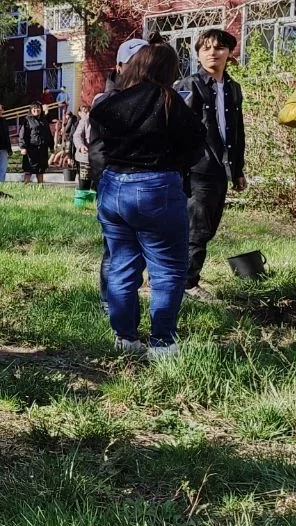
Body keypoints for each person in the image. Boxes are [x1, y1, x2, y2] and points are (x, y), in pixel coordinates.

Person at [90, 41, 204, 361]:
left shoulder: (112, 101)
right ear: (167, 70)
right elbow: (196, 142)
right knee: (167, 269)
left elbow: (98, 124)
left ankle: (125, 337)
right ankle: (162, 342)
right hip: (156, 186)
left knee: (122, 266)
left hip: (113, 186)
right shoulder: (168, 100)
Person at [174, 29, 247, 301]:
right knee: (197, 229)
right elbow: (176, 130)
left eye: (218, 48)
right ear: (197, 55)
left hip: (221, 170)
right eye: (205, 48)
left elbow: (237, 131)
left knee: (209, 228)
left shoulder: (233, 88)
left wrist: (237, 170)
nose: (212, 53)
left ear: (229, 53)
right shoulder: (188, 85)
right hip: (197, 170)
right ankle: (186, 284)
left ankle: (181, 280)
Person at [90, 37, 150, 314]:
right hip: (115, 186)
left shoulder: (158, 97)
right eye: (132, 63)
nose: (139, 69)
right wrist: (105, 184)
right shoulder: (106, 102)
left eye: (144, 63)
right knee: (115, 250)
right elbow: (98, 150)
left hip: (150, 188)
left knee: (145, 250)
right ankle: (109, 301)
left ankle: (130, 299)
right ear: (119, 66)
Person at [19, 102, 52, 185]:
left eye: (38, 108)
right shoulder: (27, 120)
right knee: (28, 169)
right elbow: (22, 134)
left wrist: (51, 146)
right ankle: (26, 185)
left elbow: (48, 134)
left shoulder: (44, 120)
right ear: (31, 109)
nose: (36, 110)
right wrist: (23, 147)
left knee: (41, 169)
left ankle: (40, 186)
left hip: (42, 148)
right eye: (34, 108)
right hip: (31, 148)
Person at [72, 104, 93, 193]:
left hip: (103, 157)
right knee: (84, 184)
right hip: (86, 156)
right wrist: (81, 146)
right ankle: (83, 198)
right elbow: (77, 135)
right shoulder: (86, 119)